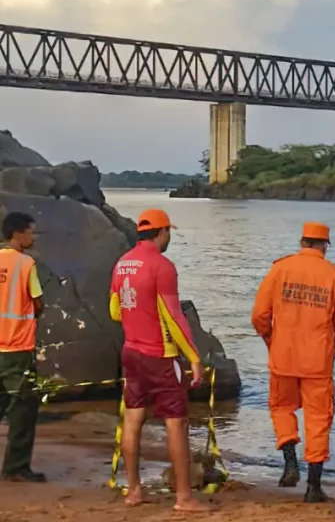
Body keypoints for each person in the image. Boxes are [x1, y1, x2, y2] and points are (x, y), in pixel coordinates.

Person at [108, 209, 211, 512]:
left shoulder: (122, 263)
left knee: (133, 418)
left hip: (131, 352)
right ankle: (184, 498)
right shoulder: (162, 266)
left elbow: (114, 310)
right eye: (169, 232)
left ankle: (134, 491)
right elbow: (174, 316)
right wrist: (194, 357)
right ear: (162, 232)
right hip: (160, 355)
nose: (170, 237)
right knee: (176, 424)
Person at [251, 222, 335, 501]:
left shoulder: (279, 269)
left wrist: (272, 341)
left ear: (302, 241)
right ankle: (313, 487)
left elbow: (260, 316)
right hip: (317, 362)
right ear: (325, 245)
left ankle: (290, 462)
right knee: (318, 420)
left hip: (282, 357)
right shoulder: (334, 275)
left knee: (281, 408)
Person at [0, 212, 45, 483]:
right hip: (17, 346)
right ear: (18, 233)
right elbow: (37, 302)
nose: (34, 236)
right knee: (24, 407)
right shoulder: (26, 264)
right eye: (32, 231)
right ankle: (16, 467)